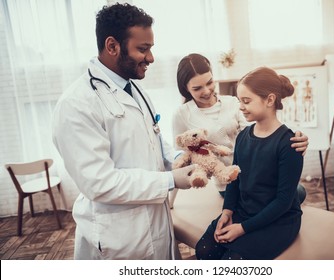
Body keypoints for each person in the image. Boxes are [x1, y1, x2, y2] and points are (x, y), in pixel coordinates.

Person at [51, 3, 196, 260]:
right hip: (119, 238)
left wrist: (176, 159)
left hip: (157, 223)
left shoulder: (137, 90)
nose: (151, 58)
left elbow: (153, 139)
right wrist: (171, 180)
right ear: (112, 46)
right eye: (143, 49)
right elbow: (100, 183)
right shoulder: (76, 104)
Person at [195, 67, 304, 260]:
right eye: (239, 102)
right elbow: (234, 179)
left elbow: (283, 202)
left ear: (270, 100)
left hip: (279, 220)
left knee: (233, 262)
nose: (241, 107)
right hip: (244, 211)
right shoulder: (244, 136)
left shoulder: (289, 144)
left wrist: (242, 229)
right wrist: (227, 212)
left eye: (246, 101)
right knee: (204, 251)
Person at [172, 53, 308, 197]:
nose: (206, 91)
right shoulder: (182, 114)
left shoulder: (233, 102)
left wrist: (289, 140)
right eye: (197, 88)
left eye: (209, 82)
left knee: (298, 191)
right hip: (227, 182)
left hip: (255, 172)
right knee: (294, 194)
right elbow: (179, 155)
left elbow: (259, 133)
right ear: (186, 88)